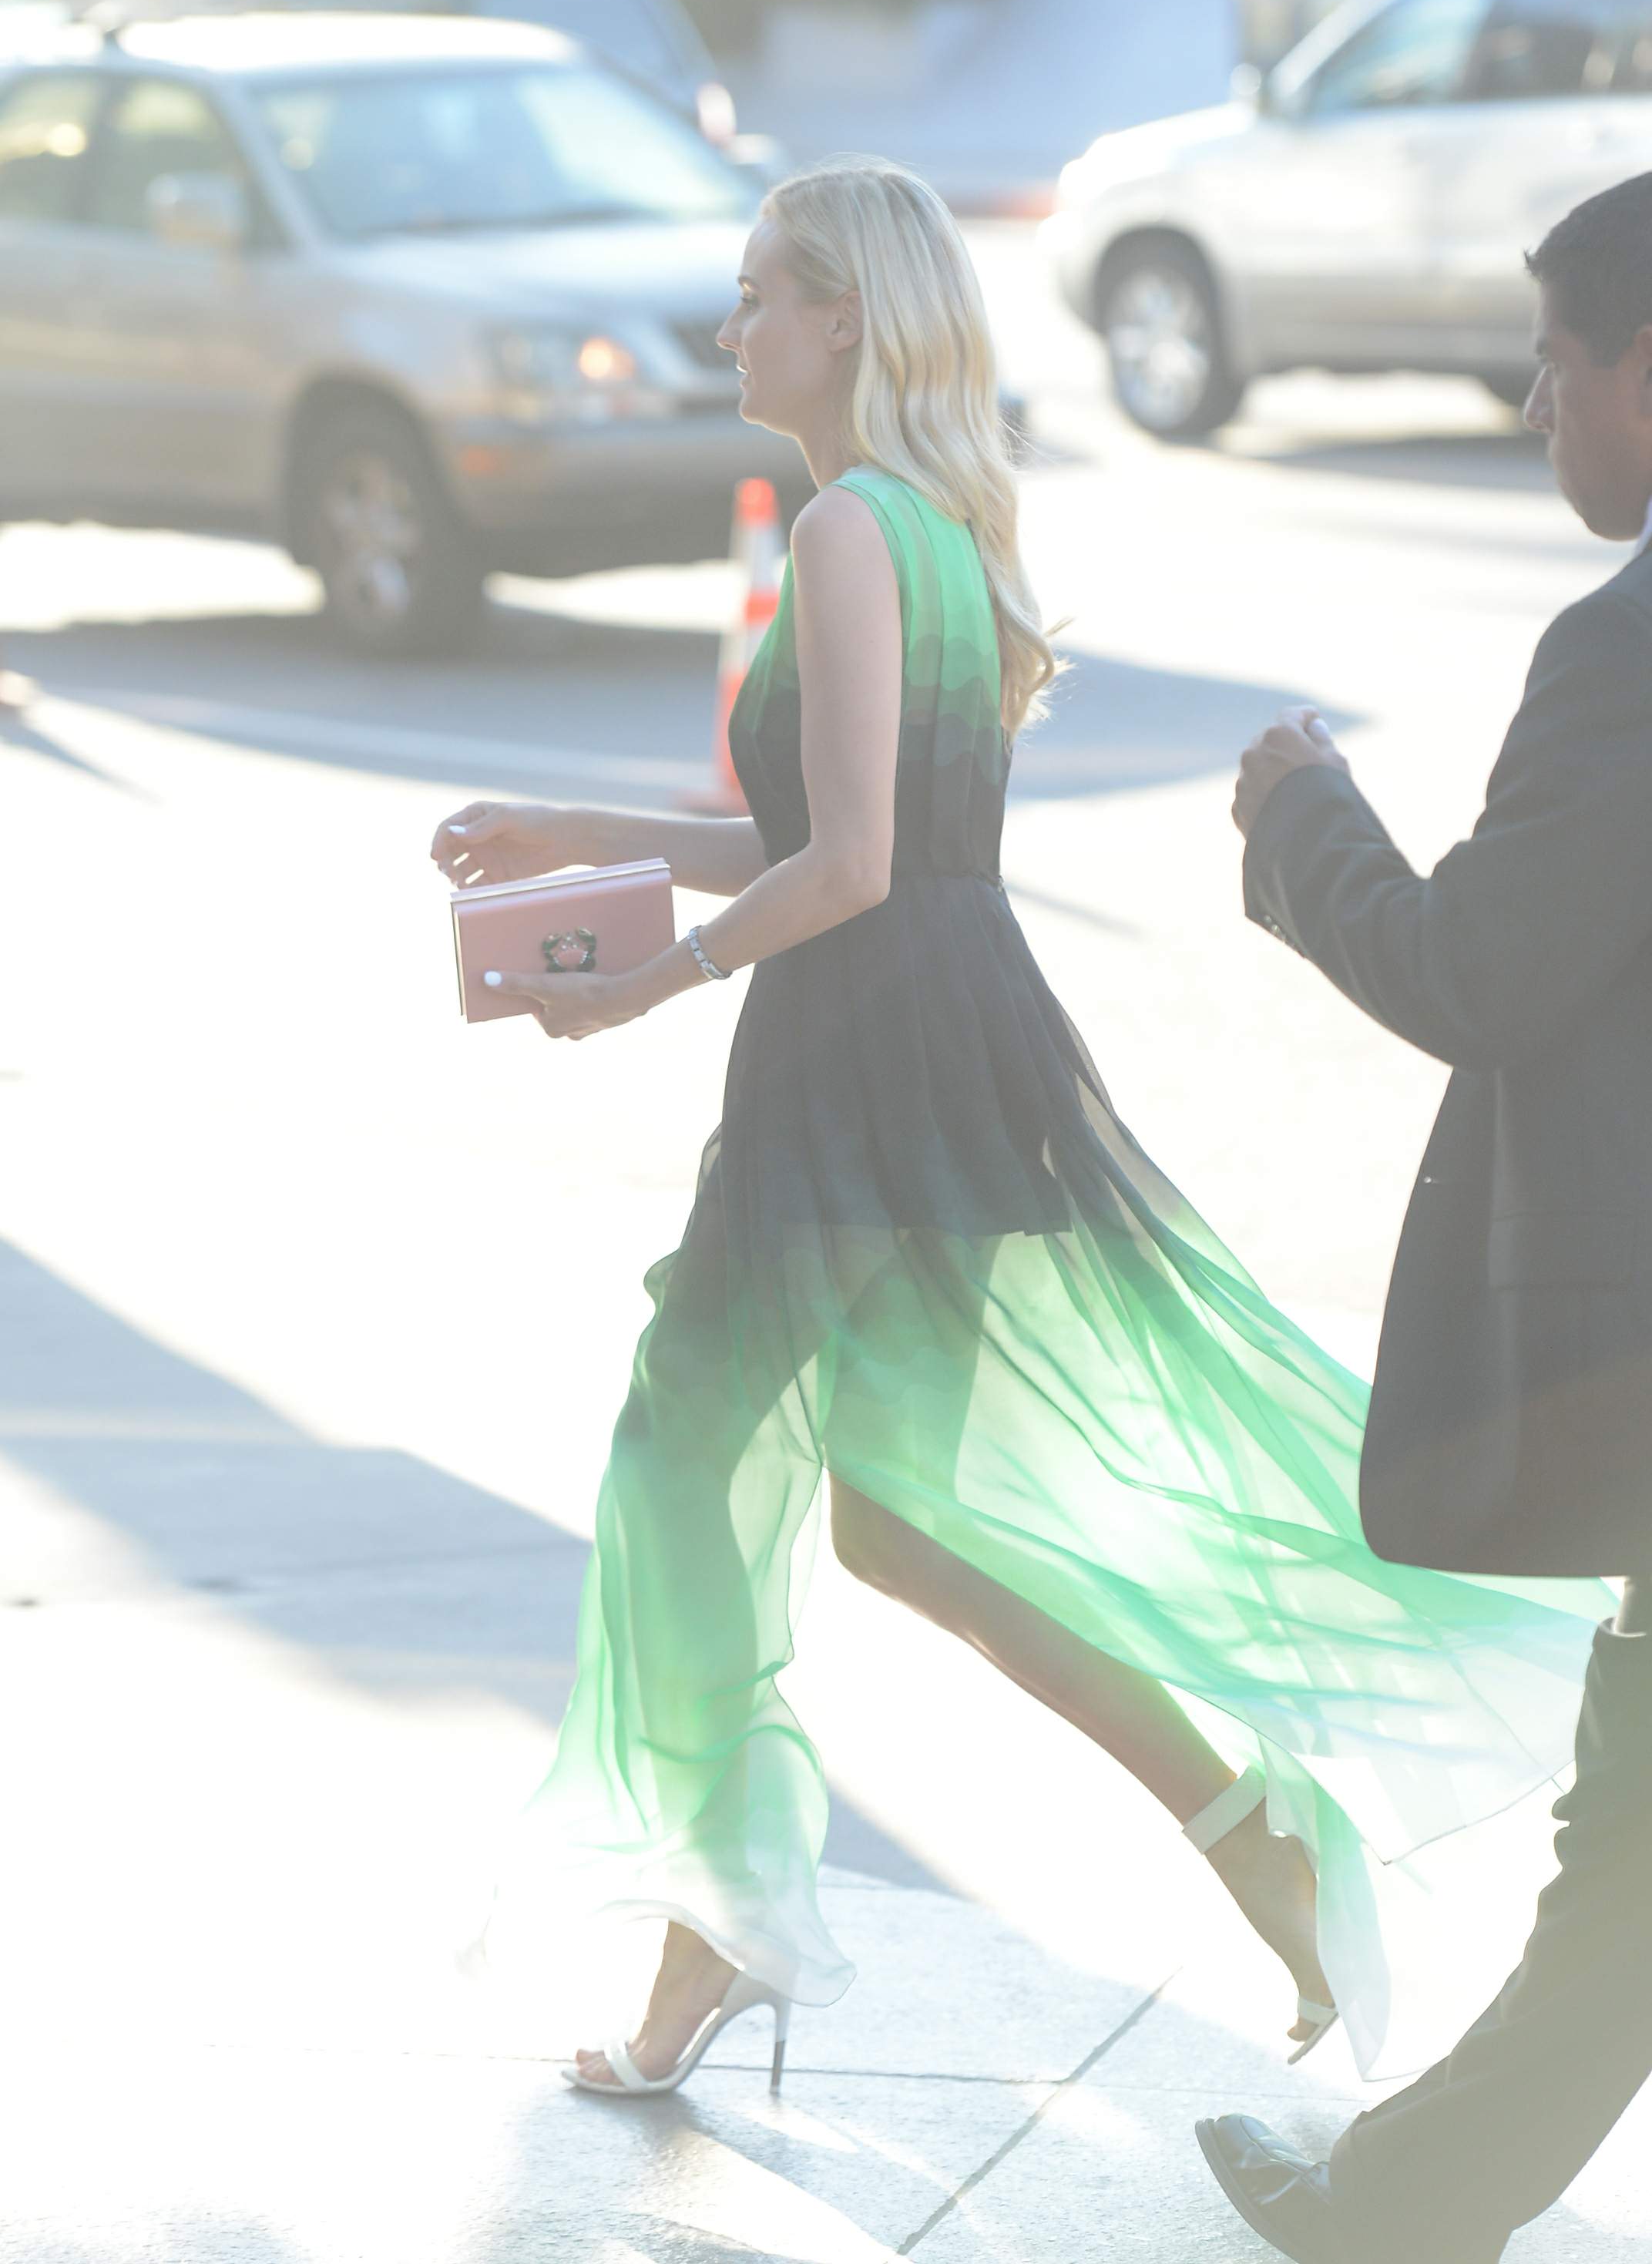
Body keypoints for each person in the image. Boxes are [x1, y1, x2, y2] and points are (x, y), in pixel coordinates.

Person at [433, 157, 1605, 2101]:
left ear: (844, 320)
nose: (730, 330)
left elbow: (854, 863)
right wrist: (581, 839)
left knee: (679, 1474)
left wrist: (647, 977)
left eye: (755, 299)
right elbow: (840, 844)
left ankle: (712, 1934)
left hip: (854, 1072)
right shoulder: (928, 528)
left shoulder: (840, 535)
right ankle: (1256, 1838)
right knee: (906, 1524)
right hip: (951, 1050)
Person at [1197, 171, 1652, 2263]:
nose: (1536, 403)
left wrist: (1304, 822)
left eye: (1562, 365)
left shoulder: (1626, 650)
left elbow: (1476, 969)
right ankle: (1399, 2206)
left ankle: (1393, 2214)